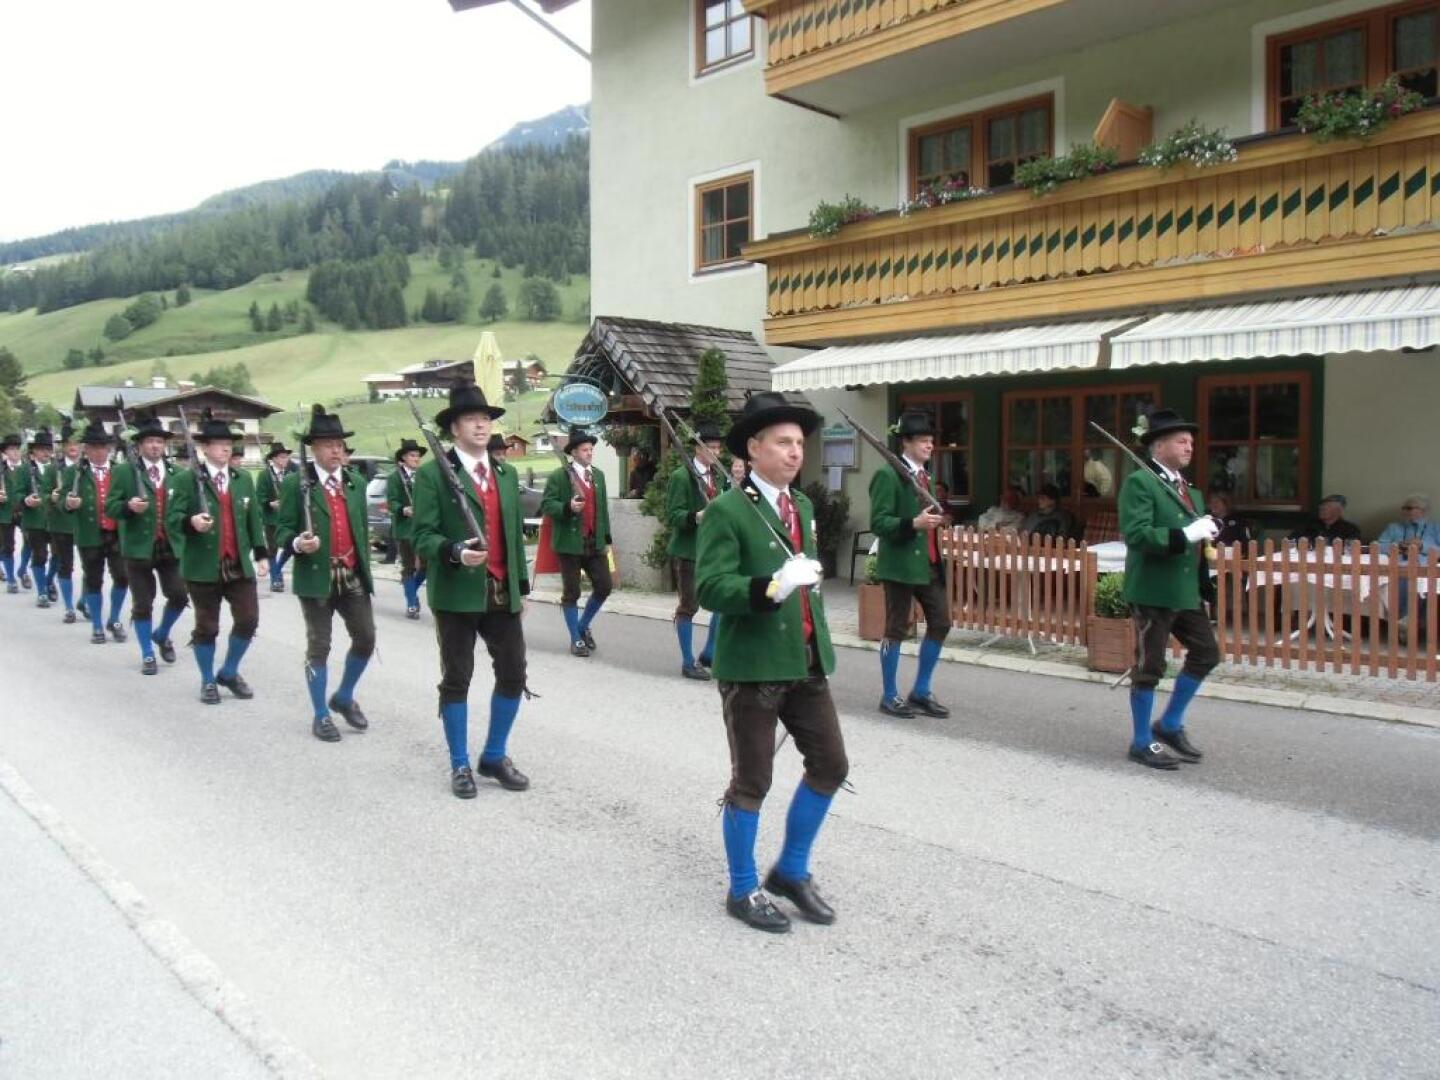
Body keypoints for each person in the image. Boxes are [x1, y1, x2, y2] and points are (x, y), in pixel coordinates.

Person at [696, 391, 848, 934]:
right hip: (753, 665)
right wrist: (772, 586)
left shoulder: (800, 508)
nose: (794, 452)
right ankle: (742, 889)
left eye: (799, 443)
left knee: (831, 765)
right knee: (751, 780)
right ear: (754, 448)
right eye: (783, 442)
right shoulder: (726, 511)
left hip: (805, 661)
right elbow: (711, 587)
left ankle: (790, 870)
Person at [410, 382, 532, 799]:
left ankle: (494, 755)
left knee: (514, 673)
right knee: (458, 678)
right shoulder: (433, 473)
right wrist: (455, 551)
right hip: (456, 592)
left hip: (501, 592)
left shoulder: (506, 472)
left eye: (485, 418)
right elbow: (421, 534)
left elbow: (513, 535)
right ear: (454, 428)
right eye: (470, 419)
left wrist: (521, 588)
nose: (481, 425)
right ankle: (459, 763)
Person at [1119, 408, 1220, 771]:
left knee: (1207, 653)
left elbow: (1192, 539)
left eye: (1192, 441)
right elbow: (1137, 534)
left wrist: (1205, 533)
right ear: (1159, 446)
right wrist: (1185, 535)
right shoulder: (1140, 483)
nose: (1190, 446)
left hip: (1184, 590)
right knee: (1151, 666)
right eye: (1182, 440)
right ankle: (1141, 741)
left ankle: (1170, 724)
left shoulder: (1189, 491)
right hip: (1153, 590)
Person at [277, 405, 376, 743]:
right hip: (316, 576)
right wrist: (295, 543)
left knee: (366, 638)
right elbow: (280, 530)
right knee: (319, 646)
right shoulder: (296, 484)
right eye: (328, 445)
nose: (336, 451)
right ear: (314, 448)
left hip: (350, 573)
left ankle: (344, 696)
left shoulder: (356, 482)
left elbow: (360, 529)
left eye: (339, 444)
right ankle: (321, 714)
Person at [165, 410, 269, 705]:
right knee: (207, 627)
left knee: (248, 620)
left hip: (237, 563)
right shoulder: (187, 480)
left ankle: (229, 671)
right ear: (205, 448)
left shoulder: (243, 479)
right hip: (202, 565)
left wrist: (261, 553)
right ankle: (207, 680)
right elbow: (171, 519)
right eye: (219, 443)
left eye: (229, 443)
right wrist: (191, 523)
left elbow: (254, 521)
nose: (226, 448)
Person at [868, 409, 952, 719]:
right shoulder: (888, 474)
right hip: (901, 564)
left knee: (941, 622)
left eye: (931, 440)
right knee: (896, 629)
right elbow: (879, 522)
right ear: (906, 443)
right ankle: (890, 695)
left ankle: (920, 690)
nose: (930, 446)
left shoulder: (924, 476)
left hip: (928, 564)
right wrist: (913, 523)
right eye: (923, 440)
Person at [106, 417, 188, 675]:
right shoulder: (123, 471)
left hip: (169, 544)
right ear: (139, 444)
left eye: (159, 441)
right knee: (143, 603)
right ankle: (147, 654)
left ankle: (162, 634)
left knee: (179, 595)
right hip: (138, 547)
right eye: (150, 441)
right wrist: (128, 507)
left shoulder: (177, 473)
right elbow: (110, 506)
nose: (155, 446)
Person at [541, 427, 613, 657]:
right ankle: (575, 639)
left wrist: (606, 539)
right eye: (585, 449)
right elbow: (547, 505)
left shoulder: (598, 475)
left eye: (591, 449)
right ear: (574, 452)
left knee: (604, 586)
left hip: (594, 542)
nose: (590, 453)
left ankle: (582, 626)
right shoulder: (559, 476)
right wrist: (567, 507)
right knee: (571, 592)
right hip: (570, 543)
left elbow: (602, 510)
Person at [665, 419, 727, 680]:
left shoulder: (718, 475)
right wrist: (696, 516)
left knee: (723, 602)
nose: (716, 452)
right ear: (698, 450)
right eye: (711, 447)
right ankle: (688, 662)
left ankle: (710, 653)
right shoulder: (682, 477)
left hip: (714, 550)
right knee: (688, 606)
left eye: (718, 447)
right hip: (689, 551)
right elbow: (673, 514)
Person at [64, 424, 131, 643]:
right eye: (94, 447)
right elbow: (58, 501)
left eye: (103, 447)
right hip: (89, 534)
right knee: (94, 580)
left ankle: (114, 619)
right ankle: (96, 626)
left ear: (109, 449)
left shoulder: (121, 471)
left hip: (116, 533)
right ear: (87, 449)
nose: (99, 452)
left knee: (122, 577)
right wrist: (69, 504)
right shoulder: (74, 472)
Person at [1375, 493, 1440, 637]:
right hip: (1398, 568)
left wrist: (1423, 546)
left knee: (1420, 582)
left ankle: (1409, 622)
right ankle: (1405, 621)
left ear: (1423, 511)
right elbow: (1378, 547)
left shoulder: (1435, 528)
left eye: (1410, 508)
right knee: (1404, 578)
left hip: (1426, 569)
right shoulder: (1393, 527)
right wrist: (1397, 546)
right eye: (1405, 508)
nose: (1406, 511)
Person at [13, 429, 58, 609]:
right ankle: (42, 592)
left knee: (59, 556)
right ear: (33, 452)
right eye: (41, 449)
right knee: (39, 556)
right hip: (34, 520)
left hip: (55, 519)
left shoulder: (57, 468)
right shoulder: (25, 469)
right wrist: (25, 500)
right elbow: (16, 493)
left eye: (48, 448)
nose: (46, 452)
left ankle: (49, 580)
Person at [388, 437, 428, 619]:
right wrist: (403, 509)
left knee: (427, 566)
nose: (416, 458)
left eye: (418, 455)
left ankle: (410, 591)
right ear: (403, 458)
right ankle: (412, 604)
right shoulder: (394, 477)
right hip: (405, 528)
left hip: (423, 528)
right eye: (412, 455)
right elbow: (392, 502)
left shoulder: (423, 475)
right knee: (409, 567)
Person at [44, 424, 81, 620]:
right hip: (60, 522)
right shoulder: (53, 469)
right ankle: (69, 607)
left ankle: (85, 600)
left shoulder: (86, 467)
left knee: (92, 565)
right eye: (69, 443)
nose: (73, 446)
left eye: (76, 443)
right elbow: (42, 494)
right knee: (63, 562)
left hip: (84, 524)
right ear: (63, 447)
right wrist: (51, 497)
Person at [255, 442, 295, 594]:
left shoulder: (290, 475)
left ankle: (277, 568)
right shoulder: (265, 475)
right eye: (282, 457)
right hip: (271, 518)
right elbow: (259, 496)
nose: (286, 459)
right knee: (271, 549)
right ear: (274, 459)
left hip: (287, 518)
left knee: (291, 546)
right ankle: (275, 579)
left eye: (286, 457)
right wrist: (270, 504)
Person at [1288, 494, 1362, 545]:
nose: (1321, 509)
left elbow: (1352, 548)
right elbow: (1291, 541)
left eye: (1326, 508)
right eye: (1321, 507)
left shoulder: (1350, 529)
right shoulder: (1308, 525)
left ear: (1339, 511)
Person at [0, 433, 20, 590]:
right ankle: (11, 579)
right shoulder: (1, 468)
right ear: (4, 452)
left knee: (33, 542)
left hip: (23, 511)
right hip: (5, 512)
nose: (15, 452)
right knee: (8, 545)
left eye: (17, 449)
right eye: (11, 449)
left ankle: (22, 570)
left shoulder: (26, 467)